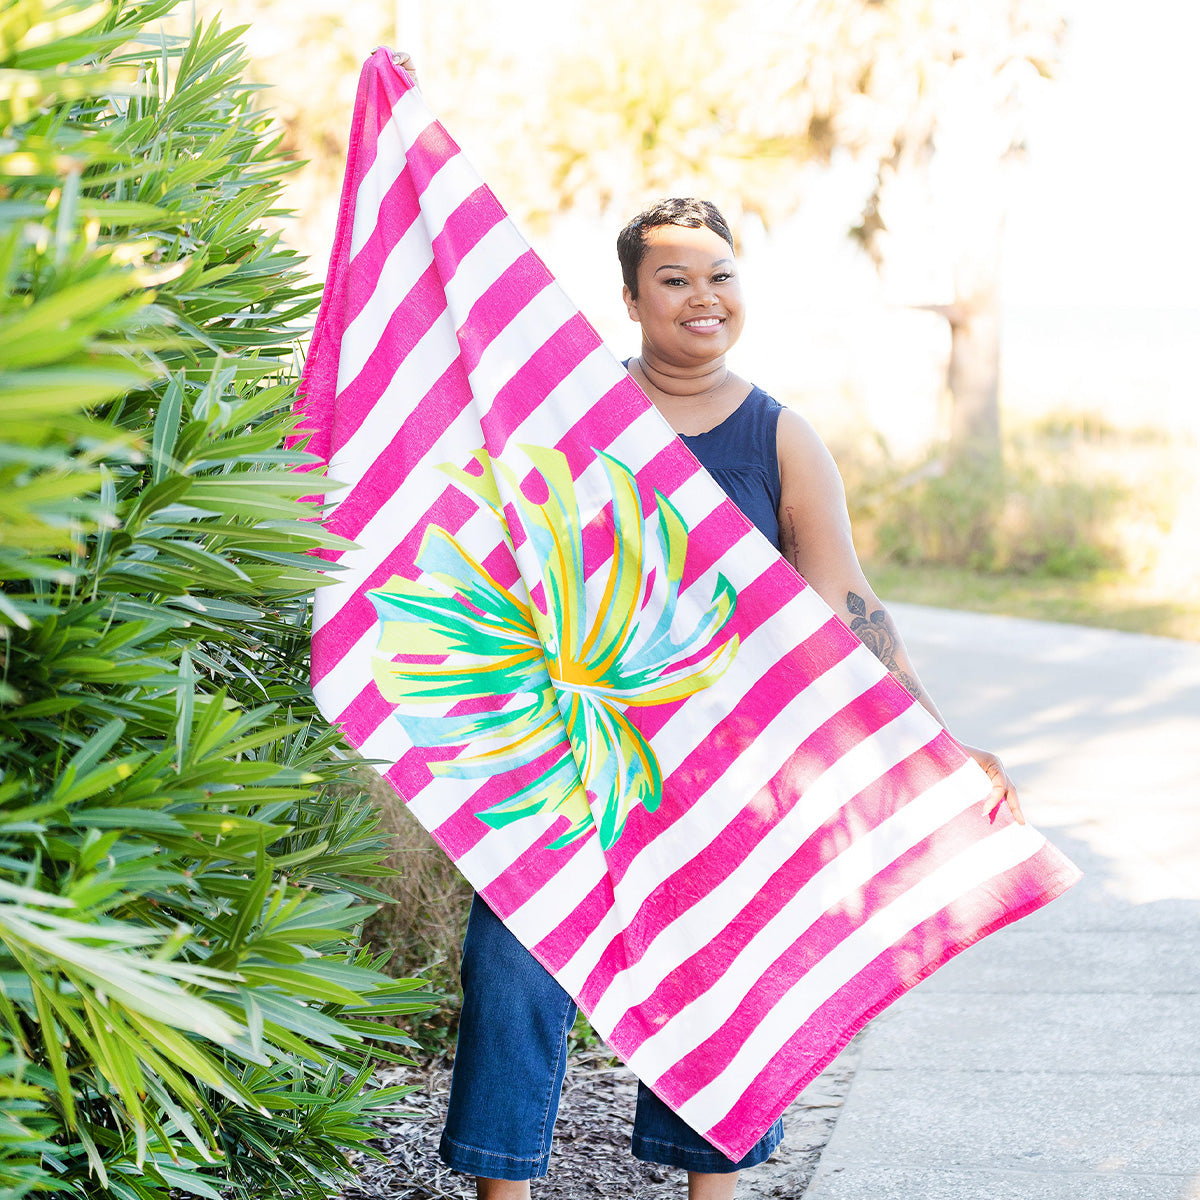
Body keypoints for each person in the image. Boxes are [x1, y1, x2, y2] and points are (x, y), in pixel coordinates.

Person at [387, 53, 1024, 1200]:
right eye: (673, 279)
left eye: (719, 275)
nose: (703, 297)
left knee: (726, 967)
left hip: (730, 768)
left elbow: (850, 609)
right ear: (630, 301)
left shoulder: (782, 438)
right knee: (516, 959)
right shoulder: (575, 416)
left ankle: (711, 1188)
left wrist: (941, 741)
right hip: (571, 751)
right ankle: (502, 1188)